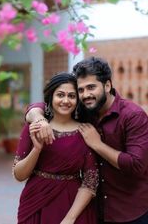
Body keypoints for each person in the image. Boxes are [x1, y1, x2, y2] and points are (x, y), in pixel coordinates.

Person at [26, 57, 148, 224]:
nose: (86, 95)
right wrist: (39, 118)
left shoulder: (133, 116)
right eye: (81, 90)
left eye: (91, 87)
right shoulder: (84, 109)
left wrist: (97, 144)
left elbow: (136, 165)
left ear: (107, 85)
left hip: (131, 211)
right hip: (95, 209)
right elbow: (43, 106)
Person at [13, 72, 99, 224]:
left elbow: (89, 182)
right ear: (51, 97)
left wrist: (69, 219)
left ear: (78, 100)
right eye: (60, 95)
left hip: (72, 205)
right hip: (35, 201)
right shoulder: (34, 126)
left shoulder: (86, 132)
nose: (66, 100)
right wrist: (37, 149)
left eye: (72, 96)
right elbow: (19, 175)